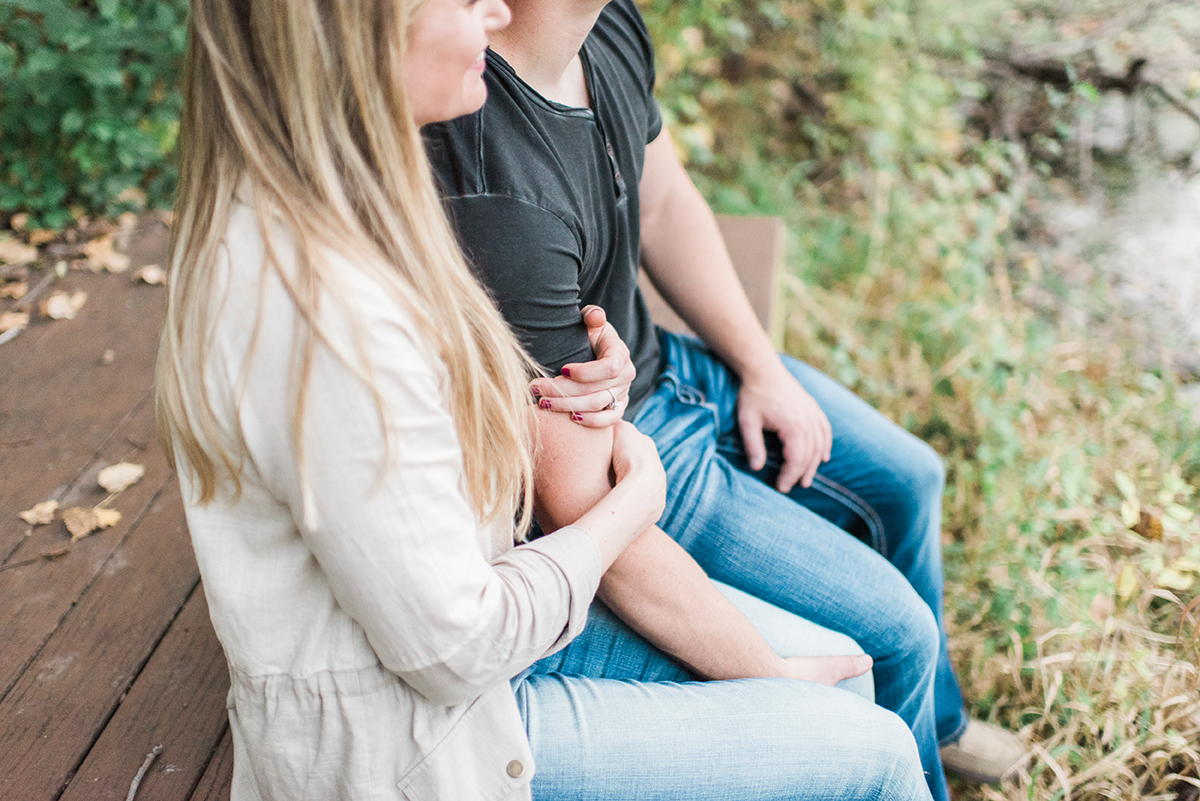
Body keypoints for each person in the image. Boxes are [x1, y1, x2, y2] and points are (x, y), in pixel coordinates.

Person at [156, 0, 934, 798]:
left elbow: (461, 419)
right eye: (461, 1)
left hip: (489, 592)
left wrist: (604, 382)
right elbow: (453, 649)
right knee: (870, 742)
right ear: (358, 40)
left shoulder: (365, 202)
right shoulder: (328, 311)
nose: (494, 11)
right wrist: (634, 501)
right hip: (427, 734)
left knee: (843, 673)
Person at [423, 0, 1030, 793]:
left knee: (909, 479)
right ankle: (907, 751)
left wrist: (760, 367)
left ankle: (934, 728)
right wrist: (772, 675)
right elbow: (580, 506)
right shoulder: (489, 174)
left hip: (665, 367)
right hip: (631, 455)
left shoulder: (602, 27)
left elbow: (666, 205)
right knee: (897, 636)